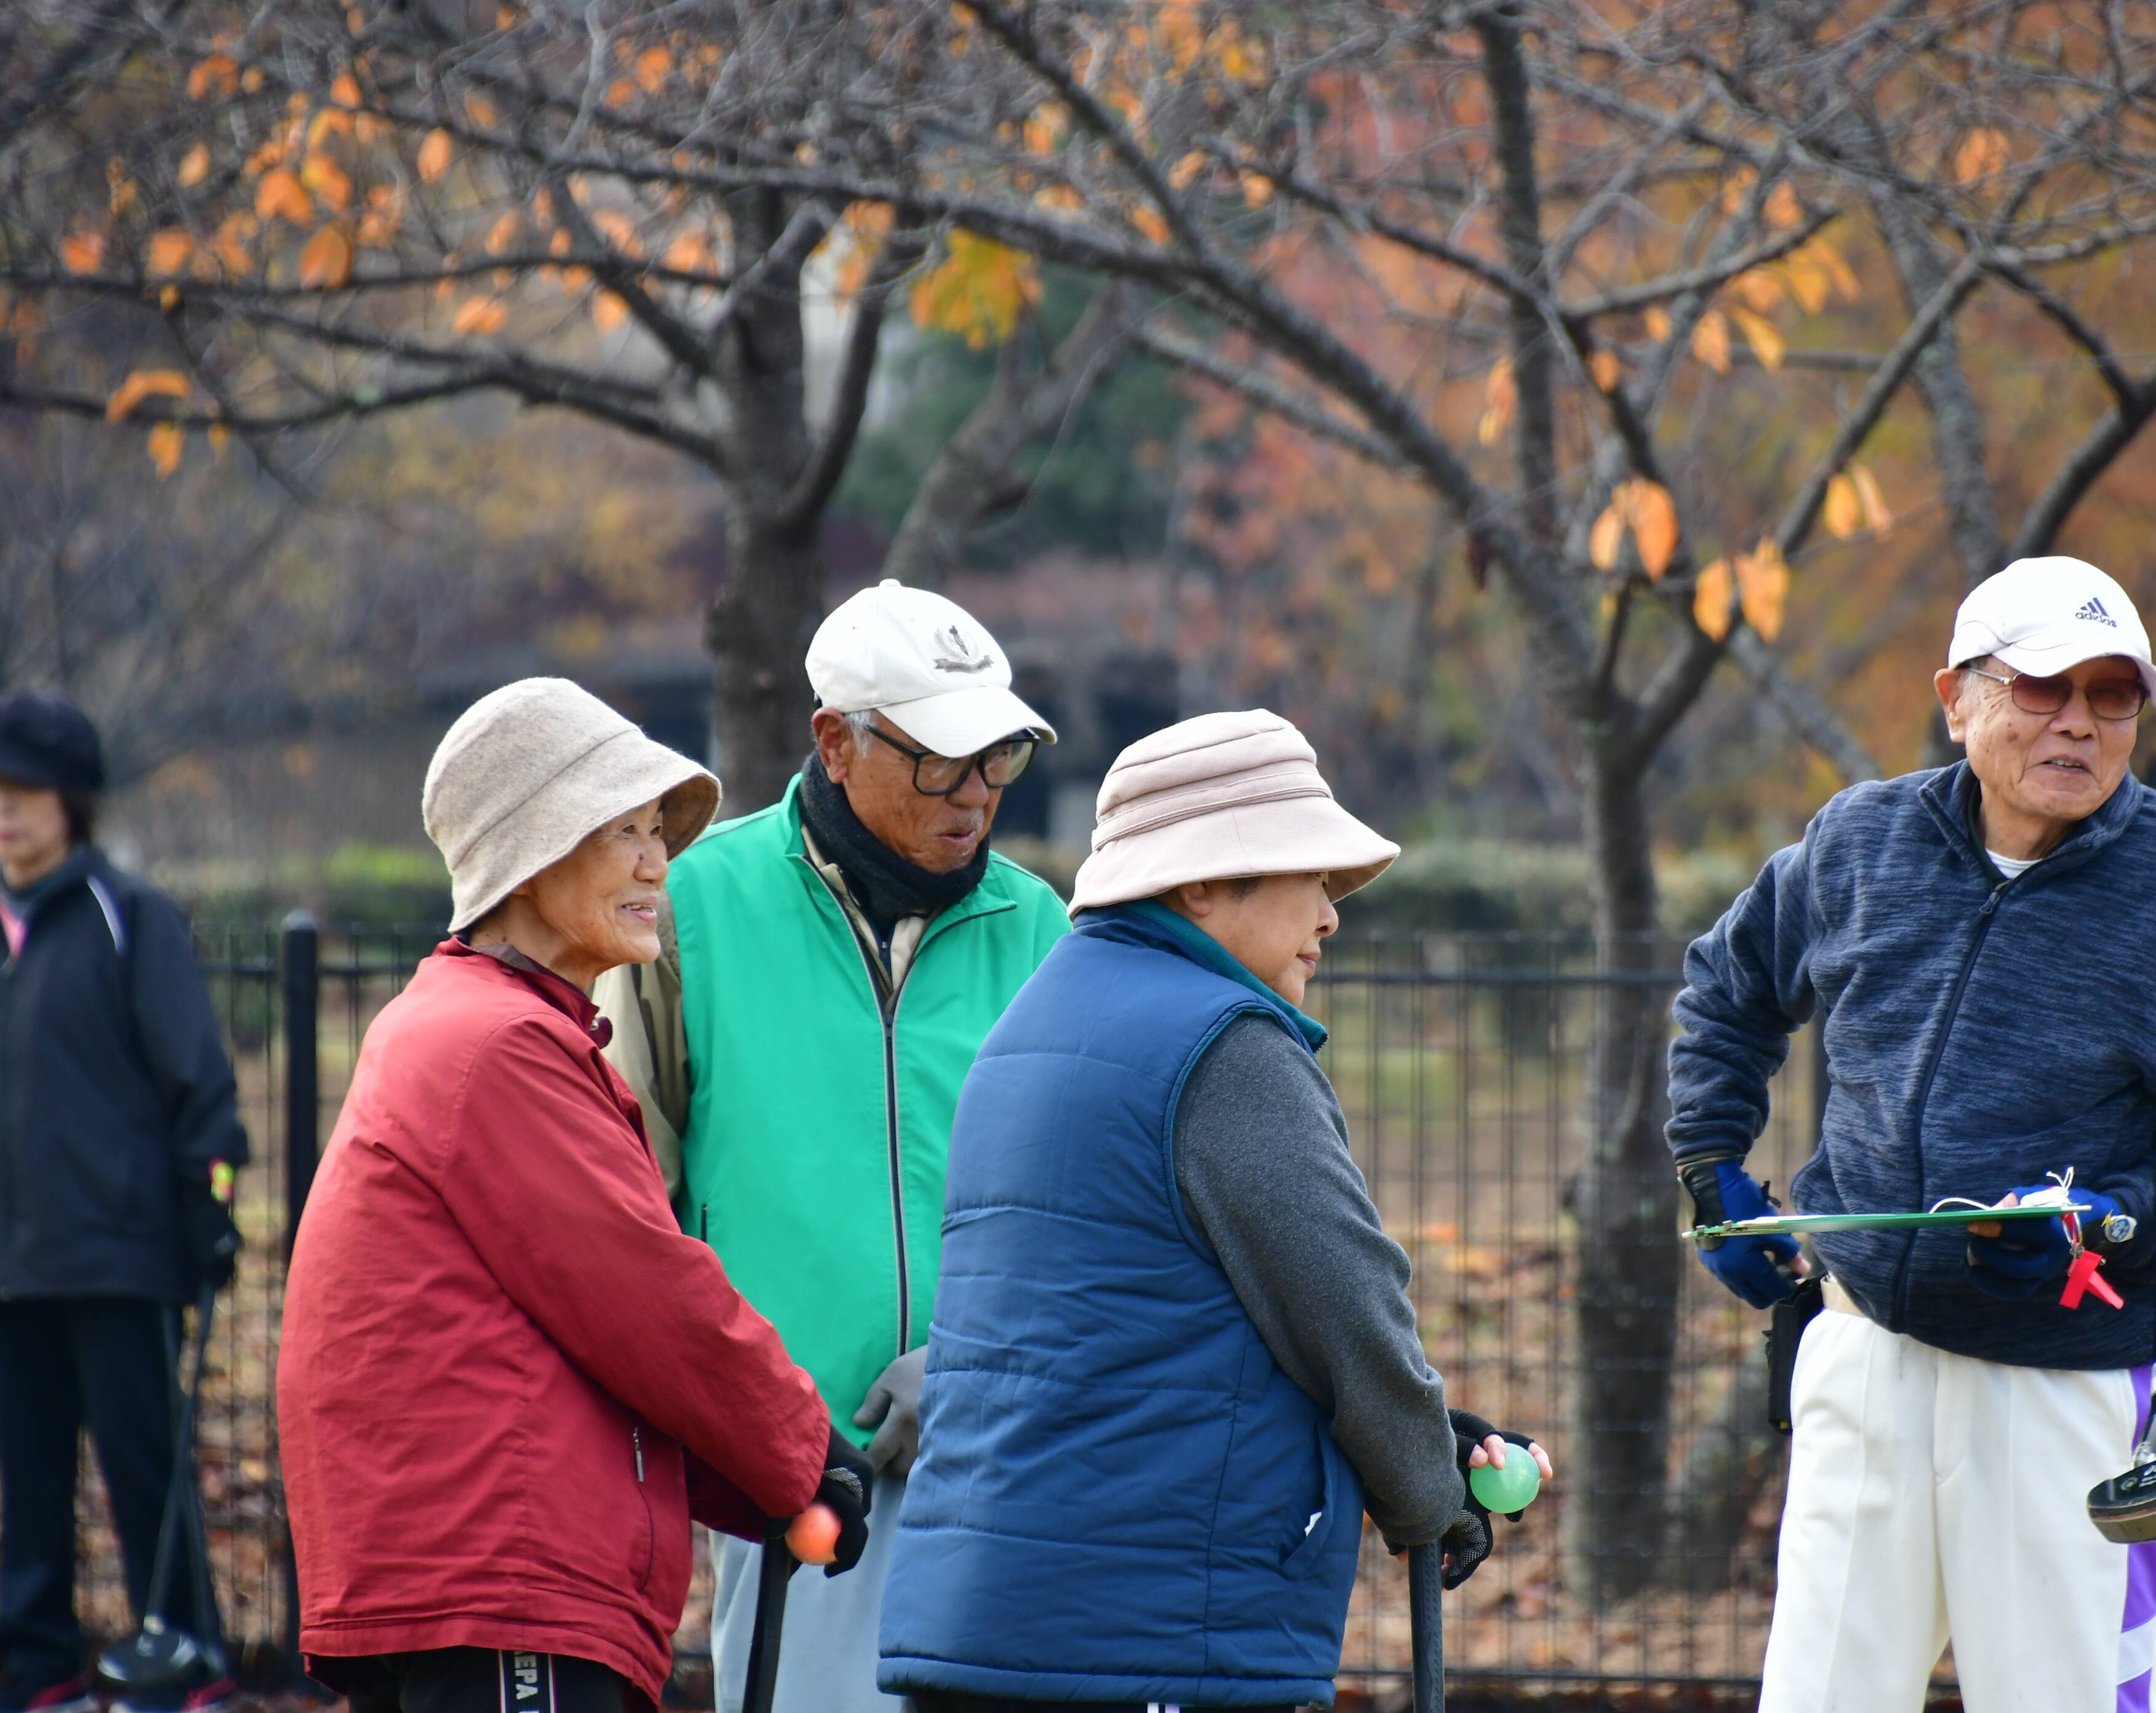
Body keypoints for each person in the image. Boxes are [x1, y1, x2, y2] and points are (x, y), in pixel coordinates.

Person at [1667, 557, 2156, 1713]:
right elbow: (1725, 989)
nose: (2079, 724)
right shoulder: (1859, 841)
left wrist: (2109, 1237)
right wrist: (1713, 1173)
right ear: (1956, 699)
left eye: (2113, 696)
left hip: (2058, 1393)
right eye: (2045, 686)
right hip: (1861, 1355)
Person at [879, 709, 1552, 1712]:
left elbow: (1136, 1333)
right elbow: (1344, 1307)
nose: (1330, 916)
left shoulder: (1030, 1028)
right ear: (1200, 882)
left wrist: (1424, 1438)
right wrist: (1425, 1488)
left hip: (982, 1626)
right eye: (1310, 878)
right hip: (1153, 1637)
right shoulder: (1224, 1046)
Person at [277, 679, 872, 1713]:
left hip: (477, 1577)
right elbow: (649, 1300)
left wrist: (773, 1485)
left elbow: (597, 1343)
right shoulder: (496, 1045)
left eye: (657, 832)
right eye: (622, 833)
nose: (658, 863)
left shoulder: (480, 1027)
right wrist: (804, 1449)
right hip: (504, 1582)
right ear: (533, 853)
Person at [597, 581, 1071, 1713]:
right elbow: (629, 1201)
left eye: (1000, 759)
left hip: (1004, 1461)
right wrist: (744, 1411)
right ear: (834, 740)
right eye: (941, 763)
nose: (977, 797)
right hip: (788, 1478)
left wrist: (972, 1369)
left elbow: (1078, 1221)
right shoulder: (691, 910)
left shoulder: (1044, 927)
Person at [0, 690, 247, 1713]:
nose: (7, 811)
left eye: (25, 790)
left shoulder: (127, 916)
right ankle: (37, 1661)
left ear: (73, 799)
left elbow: (197, 1071)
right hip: (16, 1261)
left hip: (121, 1252)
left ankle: (184, 1649)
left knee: (145, 1469)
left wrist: (211, 1194)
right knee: (29, 1484)